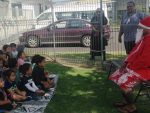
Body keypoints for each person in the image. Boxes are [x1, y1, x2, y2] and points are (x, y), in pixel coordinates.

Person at [109, 16, 150, 113]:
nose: (139, 29)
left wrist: (130, 67)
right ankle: (126, 101)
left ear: (147, 28)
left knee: (124, 84)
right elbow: (134, 53)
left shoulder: (148, 40)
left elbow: (145, 60)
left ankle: (131, 107)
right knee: (118, 76)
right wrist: (126, 63)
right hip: (138, 67)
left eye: (141, 27)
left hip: (145, 69)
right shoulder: (145, 38)